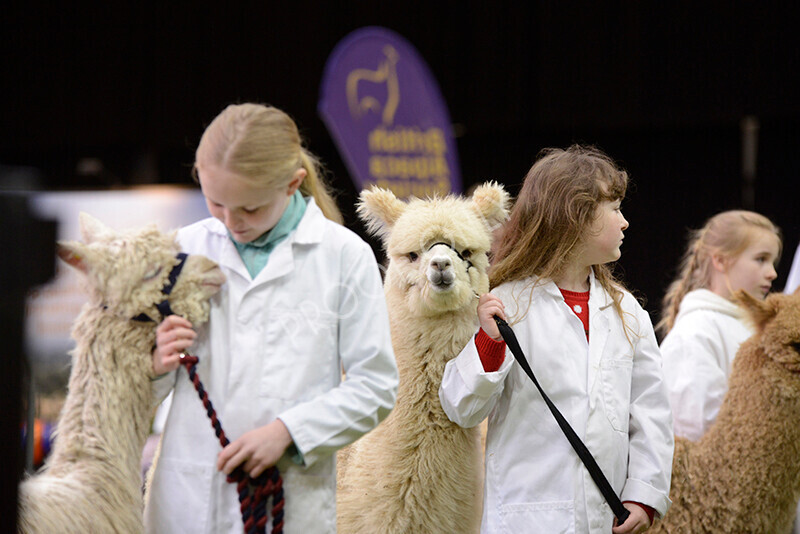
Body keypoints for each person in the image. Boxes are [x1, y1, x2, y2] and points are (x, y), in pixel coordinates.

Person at [143, 103, 398, 533]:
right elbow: (143, 394)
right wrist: (154, 364)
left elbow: (375, 387)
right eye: (216, 203)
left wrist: (289, 432)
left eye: (251, 208)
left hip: (289, 498)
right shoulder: (183, 249)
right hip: (186, 502)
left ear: (292, 183)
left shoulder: (342, 256)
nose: (231, 222)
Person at [439, 145, 673, 534]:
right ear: (574, 216)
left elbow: (651, 411)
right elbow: (460, 407)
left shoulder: (627, 312)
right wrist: (489, 342)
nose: (625, 221)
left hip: (607, 518)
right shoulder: (506, 303)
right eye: (614, 208)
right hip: (527, 519)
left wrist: (644, 495)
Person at [657, 210, 781, 442]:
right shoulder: (697, 330)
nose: (772, 273)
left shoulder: (754, 327)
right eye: (761, 259)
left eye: (772, 262)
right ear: (721, 260)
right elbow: (697, 429)